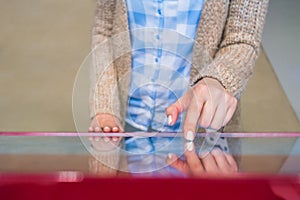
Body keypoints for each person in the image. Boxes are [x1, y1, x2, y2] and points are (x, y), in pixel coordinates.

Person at [88, 0, 269, 174]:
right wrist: (105, 108)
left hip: (204, 139)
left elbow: (243, 38)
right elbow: (104, 30)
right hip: (126, 132)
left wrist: (217, 79)